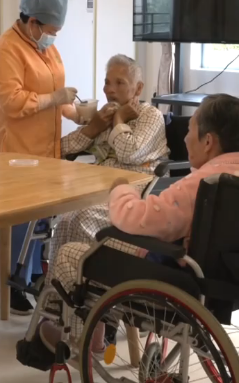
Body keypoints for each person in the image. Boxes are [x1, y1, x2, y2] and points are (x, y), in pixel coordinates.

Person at [38, 94, 239, 351]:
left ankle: (64, 333)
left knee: (72, 253)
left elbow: (137, 220)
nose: (185, 138)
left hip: (181, 282)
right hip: (238, 279)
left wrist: (121, 191)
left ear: (208, 141)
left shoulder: (202, 186)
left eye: (189, 130)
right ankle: (96, 328)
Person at [0, 0, 81, 315]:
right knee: (17, 222)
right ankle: (7, 286)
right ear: (33, 22)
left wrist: (77, 113)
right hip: (15, 150)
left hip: (45, 149)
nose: (53, 37)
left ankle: (34, 275)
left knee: (41, 219)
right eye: (50, 31)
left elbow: (55, 92)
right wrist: (55, 98)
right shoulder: (5, 50)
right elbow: (12, 102)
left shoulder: (46, 48)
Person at [50, 54, 168, 260]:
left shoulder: (150, 115)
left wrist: (119, 120)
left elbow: (128, 153)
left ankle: (85, 272)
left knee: (81, 217)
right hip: (101, 188)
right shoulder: (105, 116)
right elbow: (62, 149)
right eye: (107, 82)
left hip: (134, 192)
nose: (109, 90)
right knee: (65, 220)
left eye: (119, 83)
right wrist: (93, 128)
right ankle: (62, 277)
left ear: (138, 88)